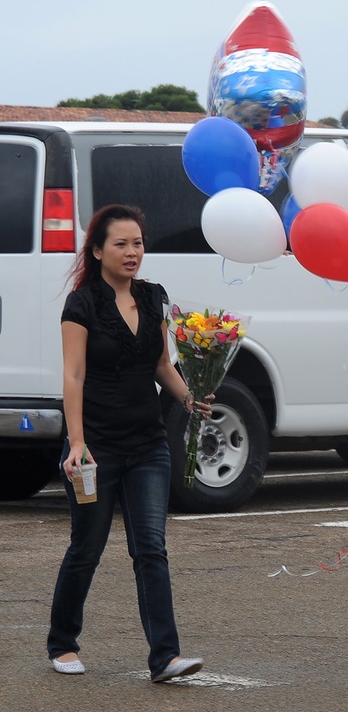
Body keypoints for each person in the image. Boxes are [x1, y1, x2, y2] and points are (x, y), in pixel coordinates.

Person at [47, 204, 209, 683]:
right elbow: (73, 374)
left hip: (148, 445)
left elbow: (162, 364)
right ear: (97, 250)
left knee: (151, 549)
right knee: (86, 547)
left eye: (137, 242)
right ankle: (62, 641)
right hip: (94, 449)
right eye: (120, 243)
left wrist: (190, 398)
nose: (132, 251)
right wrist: (77, 443)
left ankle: (165, 657)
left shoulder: (154, 297)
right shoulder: (82, 304)